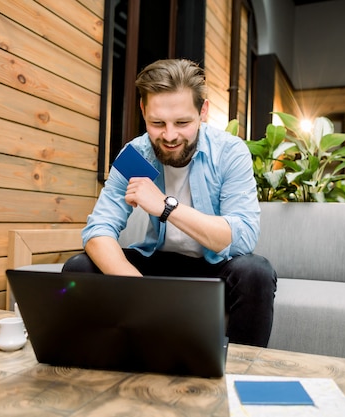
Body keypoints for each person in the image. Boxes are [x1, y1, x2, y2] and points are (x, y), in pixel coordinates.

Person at [63, 58, 276, 347]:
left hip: (211, 269)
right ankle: (97, 368)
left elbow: (243, 237)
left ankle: (238, 377)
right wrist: (141, 290)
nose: (170, 135)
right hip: (156, 268)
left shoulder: (229, 152)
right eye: (157, 123)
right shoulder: (136, 154)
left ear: (203, 111)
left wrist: (167, 206)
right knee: (79, 267)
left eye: (183, 123)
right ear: (143, 111)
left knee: (256, 273)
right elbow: (98, 230)